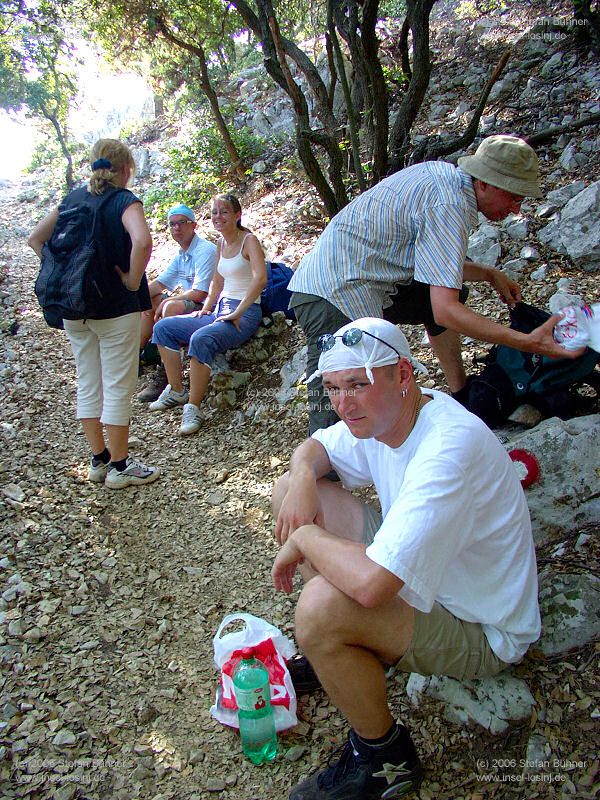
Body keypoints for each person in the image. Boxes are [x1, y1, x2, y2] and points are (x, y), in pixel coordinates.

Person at [271, 317, 540, 800]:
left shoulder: (446, 449)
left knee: (319, 608)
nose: (343, 404)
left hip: (478, 625)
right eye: (332, 388)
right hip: (428, 574)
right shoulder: (391, 413)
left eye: (357, 384)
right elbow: (315, 449)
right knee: (290, 490)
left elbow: (373, 585)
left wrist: (306, 538)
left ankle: (384, 760)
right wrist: (304, 476)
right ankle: (356, 648)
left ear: (403, 373)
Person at [288, 134, 582, 434]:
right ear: (484, 183)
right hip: (332, 295)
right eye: (513, 197)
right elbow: (446, 311)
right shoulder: (449, 203)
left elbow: (437, 268)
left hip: (366, 281)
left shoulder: (447, 182)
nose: (516, 209)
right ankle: (320, 463)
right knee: (336, 415)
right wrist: (524, 341)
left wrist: (489, 274)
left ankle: (461, 396)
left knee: (447, 291)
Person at [28, 139, 160, 489]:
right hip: (115, 307)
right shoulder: (124, 201)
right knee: (117, 385)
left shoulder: (72, 200)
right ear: (126, 169)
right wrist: (132, 281)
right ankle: (120, 466)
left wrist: (63, 273)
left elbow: (35, 239)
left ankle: (98, 459)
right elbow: (142, 241)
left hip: (74, 307)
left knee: (88, 380)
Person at [149, 193, 267, 435]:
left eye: (224, 211)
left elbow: (260, 279)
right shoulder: (221, 244)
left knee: (201, 338)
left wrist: (238, 312)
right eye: (214, 212)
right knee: (163, 327)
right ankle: (177, 390)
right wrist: (206, 309)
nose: (218, 216)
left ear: (237, 214)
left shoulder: (249, 241)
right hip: (220, 310)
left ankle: (193, 408)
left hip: (245, 313)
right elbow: (217, 281)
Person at [137, 203, 217, 402]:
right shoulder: (181, 254)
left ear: (193, 225)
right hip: (192, 302)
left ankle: (166, 374)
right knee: (149, 299)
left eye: (182, 223)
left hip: (208, 307)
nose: (176, 228)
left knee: (170, 305)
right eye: (172, 224)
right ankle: (135, 355)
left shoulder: (205, 250)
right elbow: (159, 284)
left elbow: (200, 293)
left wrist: (169, 301)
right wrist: (133, 298)